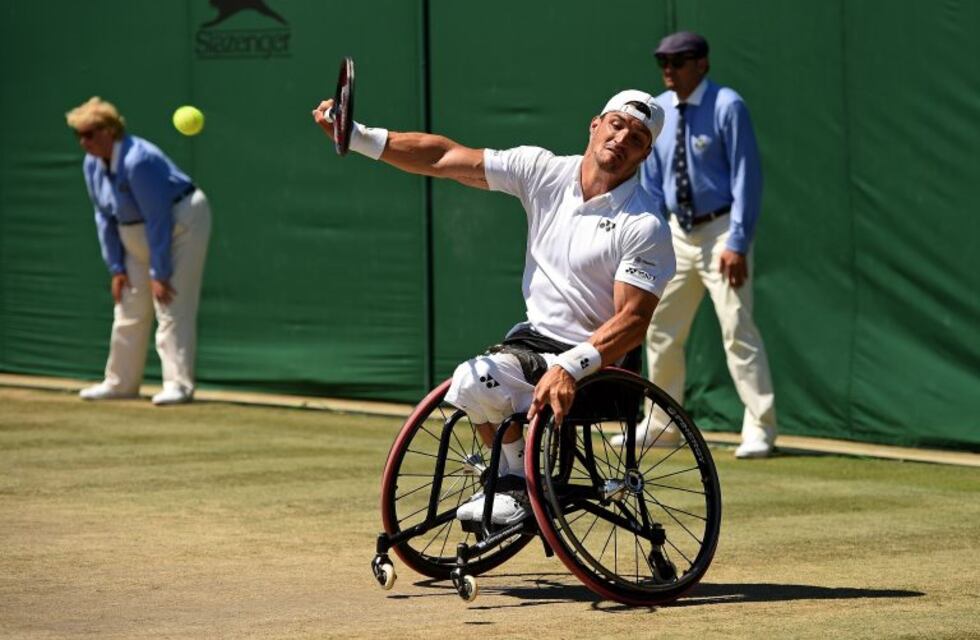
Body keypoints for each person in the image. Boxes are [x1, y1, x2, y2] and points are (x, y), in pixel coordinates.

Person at [312, 89, 674, 524]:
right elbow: (444, 158)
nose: (621, 137)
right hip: (533, 342)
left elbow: (632, 321)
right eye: (616, 124)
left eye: (636, 136)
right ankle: (518, 477)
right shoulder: (542, 171)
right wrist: (357, 136)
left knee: (476, 379)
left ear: (645, 154)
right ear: (595, 125)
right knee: (469, 383)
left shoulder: (645, 224)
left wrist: (571, 367)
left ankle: (516, 485)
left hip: (599, 365)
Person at [634, 31, 777, 458]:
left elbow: (745, 176)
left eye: (679, 61)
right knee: (658, 329)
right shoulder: (660, 112)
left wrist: (737, 240)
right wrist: (654, 237)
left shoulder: (727, 105)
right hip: (677, 232)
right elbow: (653, 181)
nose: (669, 70)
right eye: (663, 61)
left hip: (721, 232)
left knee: (737, 329)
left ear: (702, 64)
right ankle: (661, 426)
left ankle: (761, 427)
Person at [66, 97, 211, 405]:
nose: (84, 141)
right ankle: (120, 383)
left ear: (109, 130)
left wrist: (160, 272)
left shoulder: (138, 160)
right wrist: (116, 267)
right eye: (79, 135)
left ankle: (178, 386)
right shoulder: (91, 164)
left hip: (181, 225)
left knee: (171, 304)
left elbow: (158, 217)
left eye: (90, 133)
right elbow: (103, 215)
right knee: (129, 306)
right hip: (135, 233)